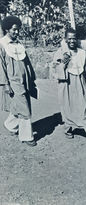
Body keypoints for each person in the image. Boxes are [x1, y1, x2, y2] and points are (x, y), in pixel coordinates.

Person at [52, 28, 86, 146]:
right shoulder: (60, 53)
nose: (71, 41)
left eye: (74, 38)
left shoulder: (82, 53)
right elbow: (55, 69)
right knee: (68, 107)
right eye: (69, 38)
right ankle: (68, 128)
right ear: (65, 39)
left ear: (77, 39)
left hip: (80, 81)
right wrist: (63, 64)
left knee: (85, 106)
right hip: (66, 83)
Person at [0, 16, 37, 147]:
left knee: (21, 105)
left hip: (24, 80)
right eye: (14, 30)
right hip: (13, 81)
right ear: (6, 29)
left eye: (18, 30)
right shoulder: (2, 44)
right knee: (25, 109)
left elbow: (27, 63)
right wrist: (5, 84)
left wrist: (31, 79)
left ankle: (10, 125)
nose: (17, 32)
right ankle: (26, 136)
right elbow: (1, 66)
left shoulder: (19, 44)